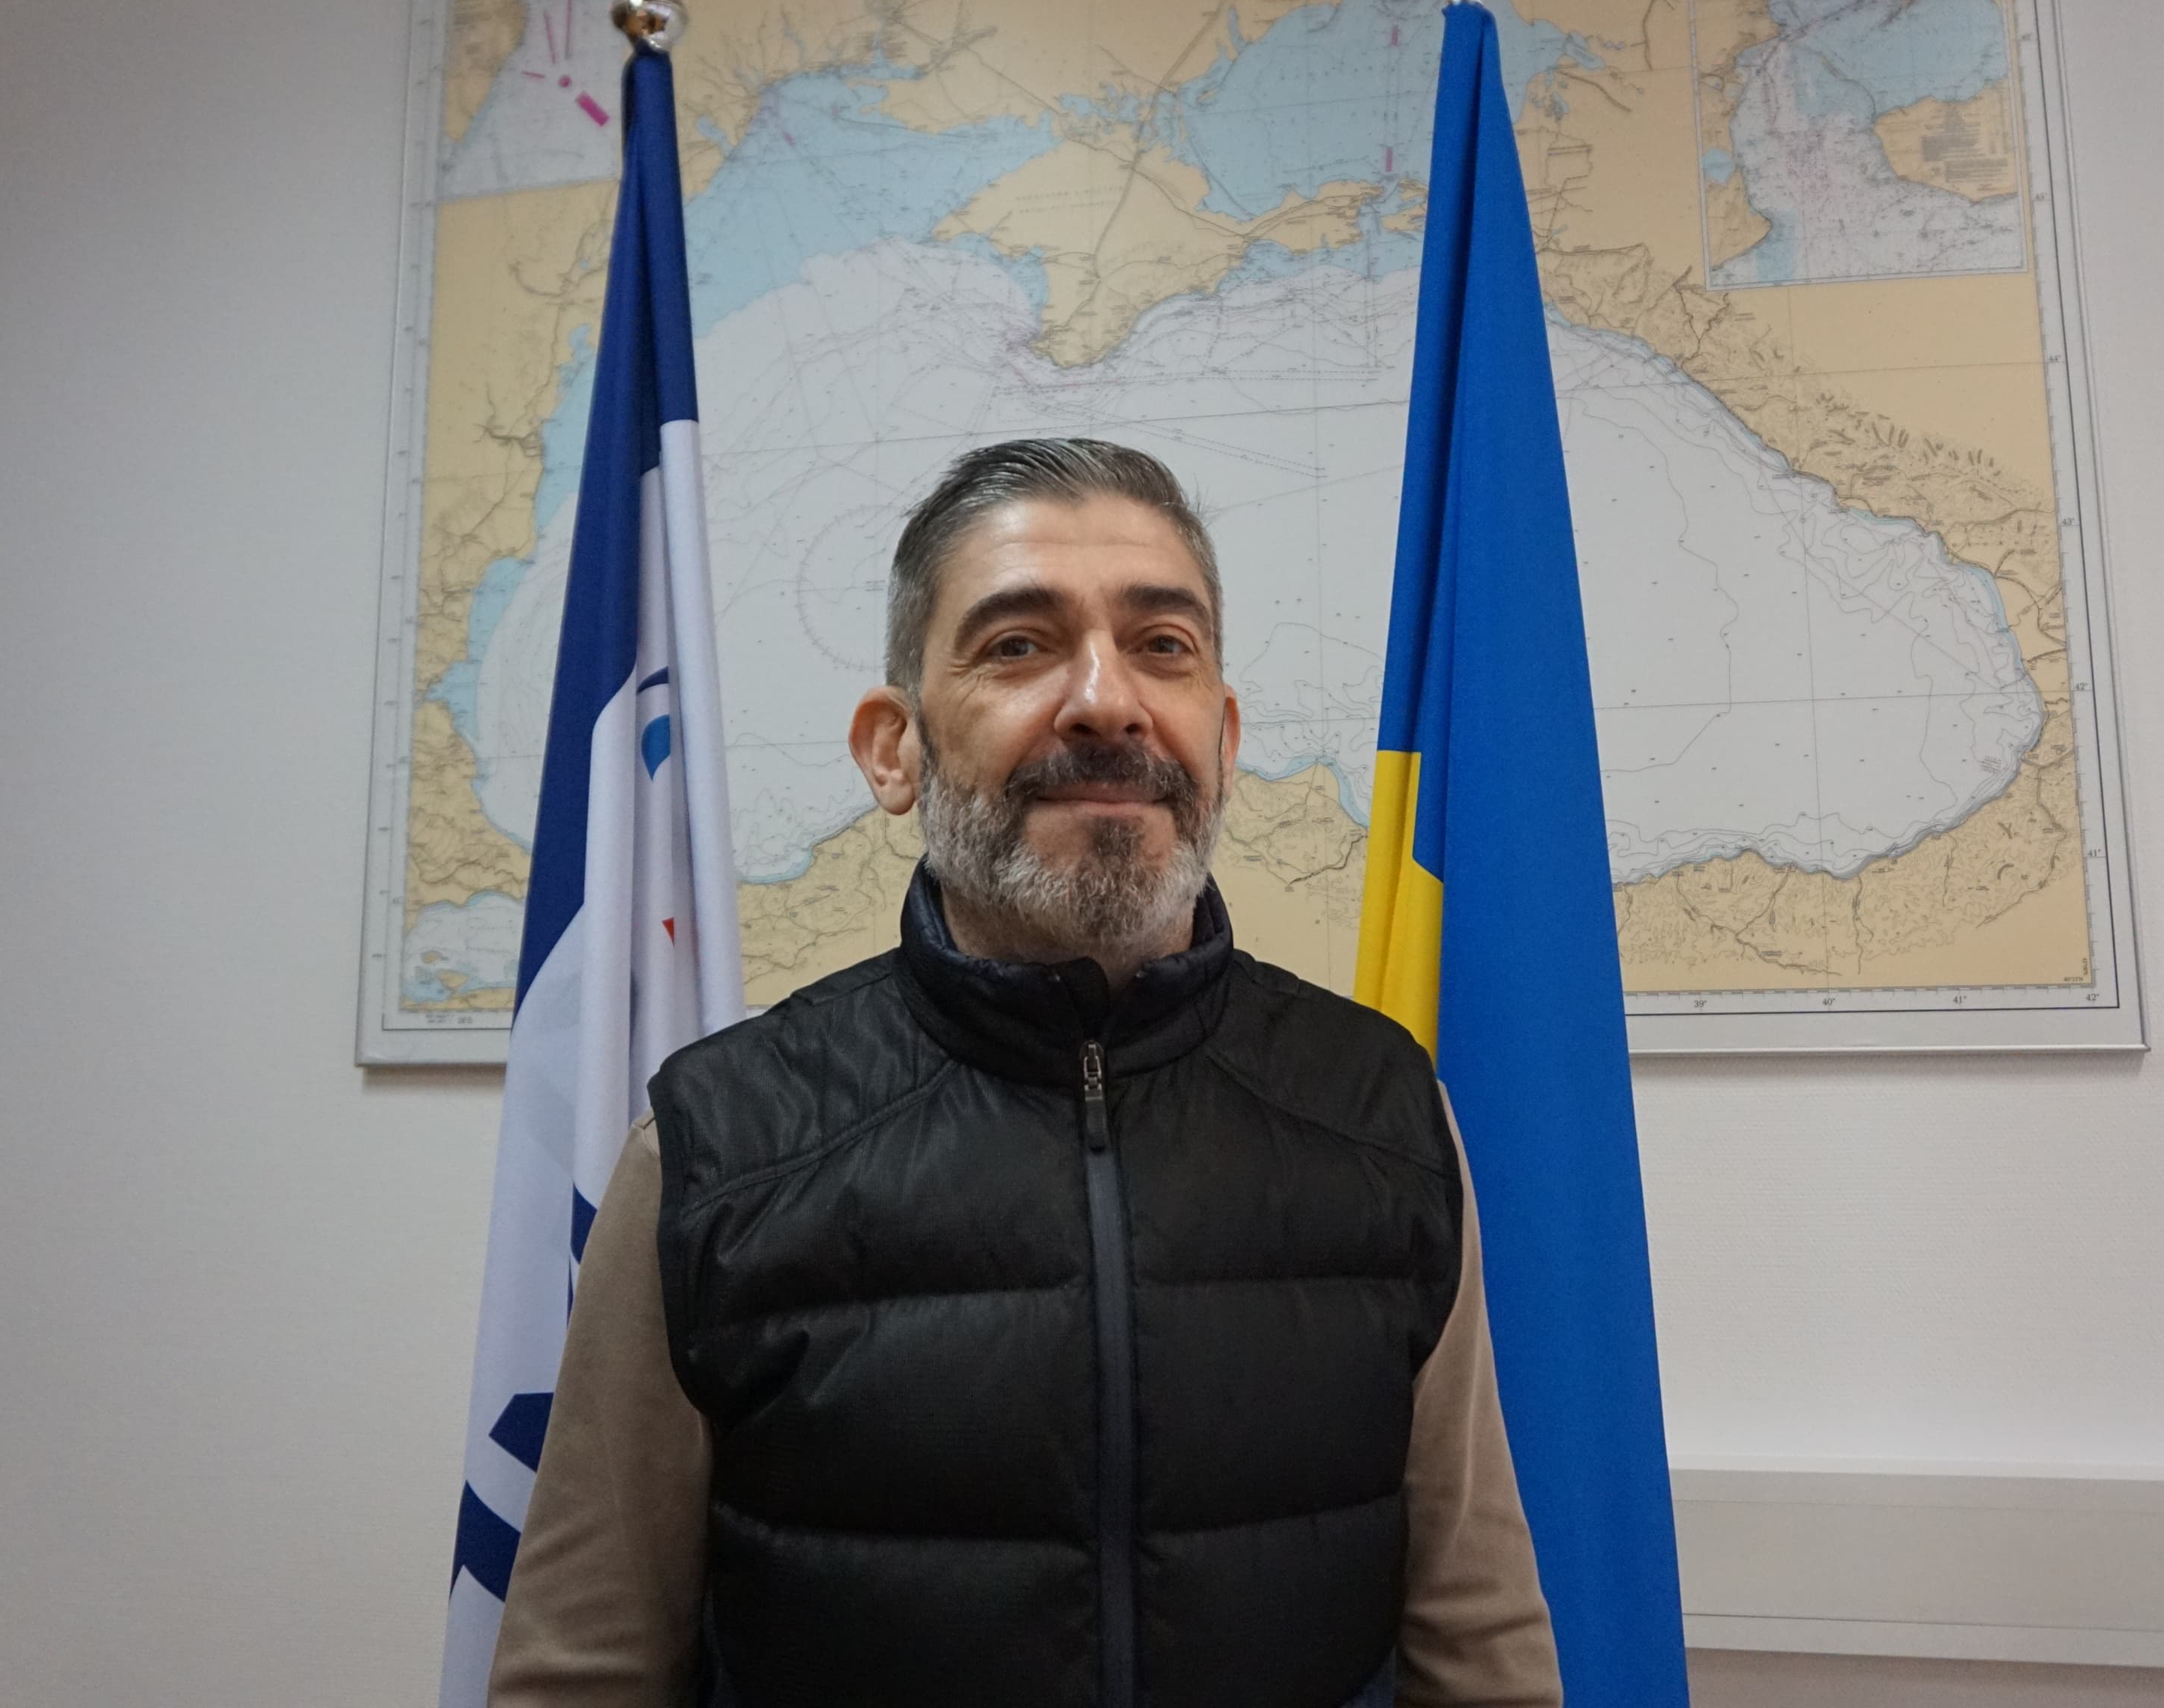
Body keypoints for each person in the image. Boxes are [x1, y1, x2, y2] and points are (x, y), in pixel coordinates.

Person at [488, 439, 1559, 1708]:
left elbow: (1481, 1646)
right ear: (893, 751)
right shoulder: (714, 1148)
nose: (1107, 701)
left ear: (1219, 737)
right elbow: (583, 1673)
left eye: (1163, 645)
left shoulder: (1385, 1113)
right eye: (1018, 646)